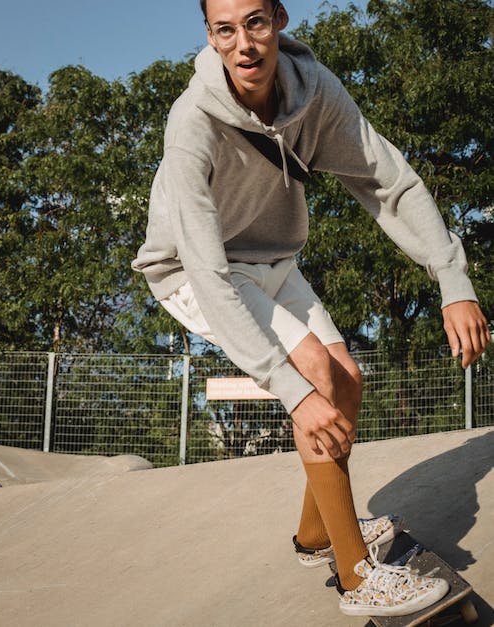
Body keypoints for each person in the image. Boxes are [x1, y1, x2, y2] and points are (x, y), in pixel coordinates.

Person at [131, 0, 491, 617]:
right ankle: (357, 578)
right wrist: (289, 389)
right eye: (226, 30)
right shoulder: (192, 121)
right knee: (315, 383)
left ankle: (318, 534)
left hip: (272, 260)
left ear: (280, 20)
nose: (244, 44)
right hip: (196, 270)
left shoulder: (314, 92)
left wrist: (452, 279)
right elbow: (209, 273)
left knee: (347, 382)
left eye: (255, 23)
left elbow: (390, 182)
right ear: (211, 38)